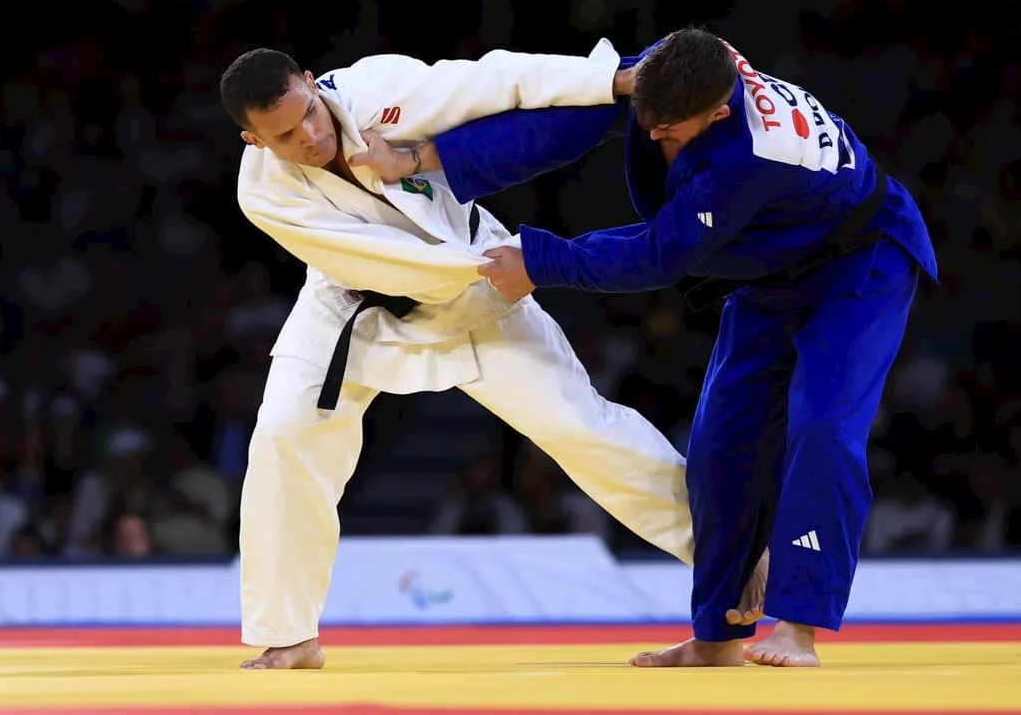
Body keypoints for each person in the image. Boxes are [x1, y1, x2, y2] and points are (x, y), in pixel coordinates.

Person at [358, 28, 939, 667]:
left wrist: (542, 259)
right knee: (718, 445)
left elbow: (660, 254)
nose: (656, 136)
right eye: (648, 122)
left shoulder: (744, 157)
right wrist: (425, 158)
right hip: (773, 266)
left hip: (861, 261)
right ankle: (716, 637)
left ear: (719, 112)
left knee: (823, 425)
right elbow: (562, 124)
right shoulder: (664, 73)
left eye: (673, 130)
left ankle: (797, 628)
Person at [218, 42, 768, 671]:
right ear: (252, 141)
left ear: (314, 84)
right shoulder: (263, 193)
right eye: (286, 136)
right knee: (285, 436)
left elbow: (496, 81)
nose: (311, 136)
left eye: (310, 113)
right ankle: (289, 635)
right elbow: (376, 260)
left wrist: (611, 80)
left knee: (582, 428)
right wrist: (511, 264)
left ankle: (734, 550)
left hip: (482, 290)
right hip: (358, 306)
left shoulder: (376, 89)